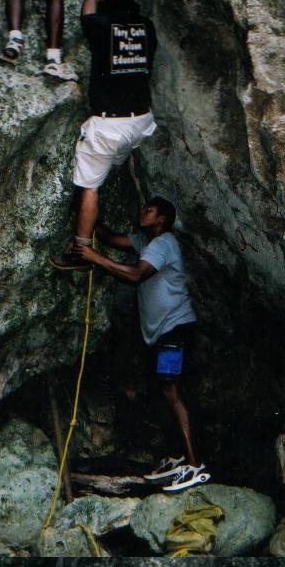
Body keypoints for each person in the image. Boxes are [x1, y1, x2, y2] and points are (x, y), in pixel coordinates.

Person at [75, 197, 210, 492]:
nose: (142, 211)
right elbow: (111, 238)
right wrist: (88, 211)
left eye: (149, 210)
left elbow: (136, 275)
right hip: (161, 333)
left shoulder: (163, 243)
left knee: (171, 389)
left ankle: (195, 465)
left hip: (175, 329)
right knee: (162, 391)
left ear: (162, 219)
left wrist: (95, 258)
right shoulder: (145, 241)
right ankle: (177, 458)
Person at [50, 0, 157, 266]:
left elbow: (87, 14)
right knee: (113, 159)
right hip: (141, 121)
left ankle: (80, 250)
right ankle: (111, 168)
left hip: (110, 125)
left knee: (90, 187)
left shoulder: (103, 28)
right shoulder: (147, 28)